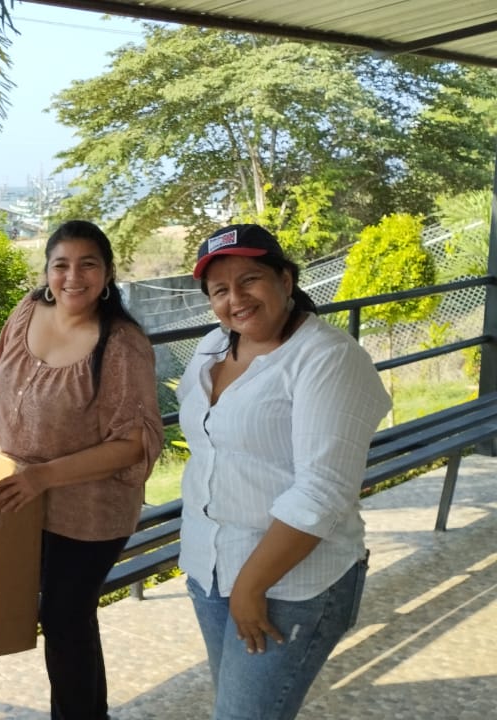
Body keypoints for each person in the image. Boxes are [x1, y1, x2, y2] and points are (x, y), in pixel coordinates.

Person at [177, 224, 390, 720]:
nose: (236, 299)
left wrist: (250, 587)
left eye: (249, 280)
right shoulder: (212, 348)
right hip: (211, 568)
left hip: (290, 586)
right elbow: (207, 447)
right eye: (220, 290)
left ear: (286, 280)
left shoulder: (328, 357)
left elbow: (323, 490)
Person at [0, 220, 162, 720]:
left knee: (63, 617)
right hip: (25, 497)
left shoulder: (121, 345)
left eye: (87, 265)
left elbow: (131, 445)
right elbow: (1, 372)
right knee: (69, 618)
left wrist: (43, 476)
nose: (73, 277)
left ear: (107, 273)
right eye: (61, 265)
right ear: (47, 271)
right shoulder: (28, 310)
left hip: (91, 510)